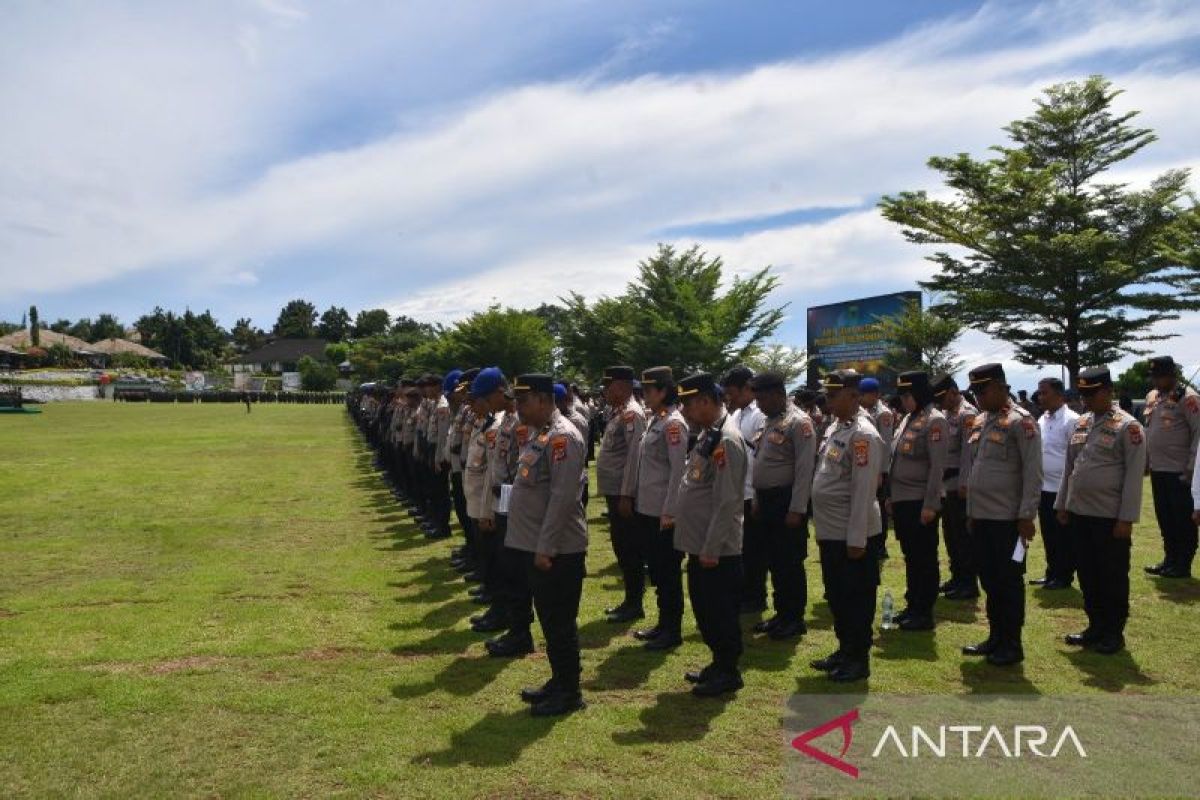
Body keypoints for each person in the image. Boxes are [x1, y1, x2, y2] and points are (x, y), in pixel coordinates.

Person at [507, 374, 589, 717]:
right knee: (550, 620)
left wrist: (545, 547)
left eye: (523, 401)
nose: (517, 407)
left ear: (542, 399)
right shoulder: (541, 433)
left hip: (558, 549)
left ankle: (570, 692)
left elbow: (562, 498)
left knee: (560, 623)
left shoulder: (562, 437)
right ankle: (559, 681)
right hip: (539, 545)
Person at [1054, 367, 1146, 655]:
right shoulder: (1082, 423)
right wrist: (1062, 503)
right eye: (1083, 395)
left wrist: (1126, 518)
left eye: (1091, 394)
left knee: (1112, 575)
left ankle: (1113, 632)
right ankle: (1095, 626)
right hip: (1080, 512)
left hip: (1109, 516)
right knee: (1087, 573)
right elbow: (1070, 467)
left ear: (1108, 391)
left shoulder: (1128, 427)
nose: (1086, 400)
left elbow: (1134, 477)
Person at [961, 363, 1042, 667]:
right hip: (982, 517)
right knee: (989, 581)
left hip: (1008, 520)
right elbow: (977, 468)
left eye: (982, 391)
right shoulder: (982, 420)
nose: (978, 398)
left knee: (1008, 582)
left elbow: (1033, 472)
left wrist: (1026, 515)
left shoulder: (1022, 422)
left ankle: (1012, 643)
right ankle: (995, 636)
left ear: (999, 387)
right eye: (975, 392)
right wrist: (972, 511)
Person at [675, 373, 747, 697]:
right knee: (705, 609)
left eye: (688, 404)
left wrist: (712, 547)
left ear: (705, 401)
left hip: (716, 548)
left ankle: (728, 670)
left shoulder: (726, 439)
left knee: (719, 611)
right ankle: (719, 663)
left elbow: (727, 500)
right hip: (701, 542)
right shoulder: (709, 433)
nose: (685, 411)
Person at [809, 369, 884, 683]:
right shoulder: (836, 426)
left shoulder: (863, 434)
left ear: (853, 396)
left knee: (856, 599)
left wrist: (857, 538)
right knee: (838, 596)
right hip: (832, 531)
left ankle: (857, 660)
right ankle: (844, 650)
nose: (827, 400)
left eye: (833, 395)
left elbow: (864, 490)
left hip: (852, 535)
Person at [749, 371, 816, 641]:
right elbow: (761, 462)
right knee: (774, 561)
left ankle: (794, 618)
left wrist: (797, 508)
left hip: (786, 501)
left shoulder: (799, 422)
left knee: (789, 563)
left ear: (778, 394)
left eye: (762, 398)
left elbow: (804, 469)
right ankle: (781, 614)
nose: (759, 404)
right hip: (767, 500)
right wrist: (757, 498)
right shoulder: (770, 421)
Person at [630, 367, 689, 650]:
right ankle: (663, 624)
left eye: (649, 391)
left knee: (668, 573)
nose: (644, 396)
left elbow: (678, 471)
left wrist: (670, 511)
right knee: (657, 570)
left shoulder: (674, 424)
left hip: (663, 513)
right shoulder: (657, 420)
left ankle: (672, 630)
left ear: (663, 391)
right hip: (648, 509)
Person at [886, 371, 949, 631]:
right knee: (911, 557)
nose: (903, 401)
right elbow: (895, 460)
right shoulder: (908, 419)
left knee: (924, 558)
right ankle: (912, 605)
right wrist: (890, 495)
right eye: (901, 397)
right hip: (902, 500)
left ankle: (924, 611)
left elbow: (937, 467)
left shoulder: (935, 420)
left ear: (920, 394)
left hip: (920, 501)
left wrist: (931, 504)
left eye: (907, 396)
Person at [595, 366, 648, 622]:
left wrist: (627, 494)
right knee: (621, 547)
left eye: (609, 386)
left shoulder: (632, 414)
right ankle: (630, 600)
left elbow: (634, 457)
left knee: (629, 548)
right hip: (615, 491)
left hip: (623, 494)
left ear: (622, 386)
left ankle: (634, 603)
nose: (606, 391)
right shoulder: (619, 412)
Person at [1143, 355, 1200, 579]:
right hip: (1158, 468)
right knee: (1165, 517)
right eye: (1153, 376)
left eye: (1160, 376)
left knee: (1182, 520)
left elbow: (1198, 434)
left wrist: (1192, 467)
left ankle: (1183, 563)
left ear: (1172, 375)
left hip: (1180, 470)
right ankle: (1169, 559)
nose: (1156, 381)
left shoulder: (1189, 398)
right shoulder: (1153, 397)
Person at [720, 366, 767, 613]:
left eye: (733, 392)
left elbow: (761, 458)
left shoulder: (759, 415)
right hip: (737, 492)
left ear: (747, 388)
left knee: (754, 551)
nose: (730, 398)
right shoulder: (736, 414)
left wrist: (757, 493)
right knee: (740, 548)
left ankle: (756, 597)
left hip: (751, 492)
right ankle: (745, 593)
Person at [934, 374, 978, 600]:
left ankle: (968, 583)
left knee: (963, 537)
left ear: (953, 392)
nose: (940, 403)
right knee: (950, 535)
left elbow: (968, 452)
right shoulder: (947, 413)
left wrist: (964, 483)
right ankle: (957, 576)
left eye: (942, 398)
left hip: (959, 485)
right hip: (946, 485)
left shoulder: (967, 414)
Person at [1032, 377, 1078, 589]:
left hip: (1062, 488)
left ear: (1059, 395)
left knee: (1064, 536)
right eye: (1039, 393)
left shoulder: (1071, 420)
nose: (1040, 397)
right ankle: (1052, 571)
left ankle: (1064, 575)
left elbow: (1076, 457)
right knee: (1049, 534)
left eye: (1045, 393)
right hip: (1044, 487)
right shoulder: (1042, 419)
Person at [860, 377, 894, 559]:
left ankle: (880, 545)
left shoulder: (883, 414)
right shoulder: (864, 411)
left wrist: (881, 471)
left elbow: (885, 445)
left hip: (880, 469)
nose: (860, 398)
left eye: (863, 395)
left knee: (879, 506)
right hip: (867, 466)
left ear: (874, 395)